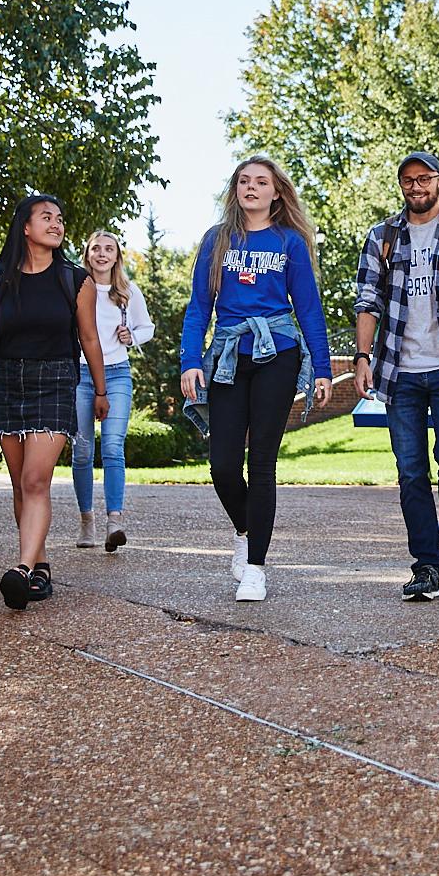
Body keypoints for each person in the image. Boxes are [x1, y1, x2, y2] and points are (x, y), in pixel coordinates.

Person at [178, 157, 332, 602]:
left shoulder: (290, 242)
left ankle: (256, 568)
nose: (251, 187)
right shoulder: (217, 240)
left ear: (276, 193)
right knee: (223, 465)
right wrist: (190, 360)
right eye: (244, 181)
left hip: (277, 354)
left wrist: (322, 368)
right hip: (228, 354)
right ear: (236, 190)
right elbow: (198, 308)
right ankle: (245, 530)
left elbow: (308, 308)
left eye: (261, 182)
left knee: (261, 462)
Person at [352, 151, 439, 602]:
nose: (416, 187)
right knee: (411, 472)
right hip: (399, 373)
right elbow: (367, 300)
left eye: (424, 179)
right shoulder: (382, 236)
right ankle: (425, 565)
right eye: (408, 181)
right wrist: (362, 357)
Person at [0, 194, 110, 610]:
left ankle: (22, 569)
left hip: (56, 379)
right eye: (46, 217)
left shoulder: (74, 279)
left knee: (35, 480)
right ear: (25, 228)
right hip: (8, 380)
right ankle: (40, 565)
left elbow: (89, 339)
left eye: (60, 218)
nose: (56, 223)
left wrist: (100, 390)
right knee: (20, 483)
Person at [71, 229, 152, 551]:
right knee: (81, 451)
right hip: (78, 374)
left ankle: (114, 521)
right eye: (96, 249)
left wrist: (132, 335)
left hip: (117, 373)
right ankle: (86, 520)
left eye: (109, 249)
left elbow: (146, 328)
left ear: (117, 256)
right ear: (88, 255)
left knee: (113, 447)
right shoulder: (75, 288)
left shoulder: (127, 292)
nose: (102, 254)